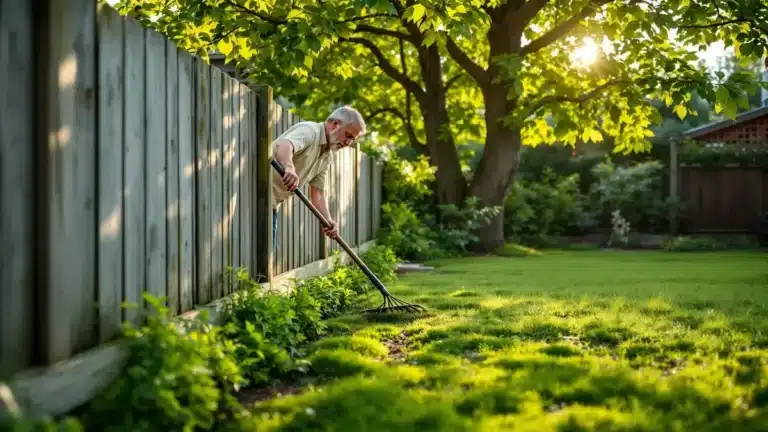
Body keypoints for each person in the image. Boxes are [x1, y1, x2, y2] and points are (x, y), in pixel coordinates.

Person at [270, 105, 366, 261]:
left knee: (265, 260)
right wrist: (289, 167)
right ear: (335, 124)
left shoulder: (327, 157)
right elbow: (284, 145)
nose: (348, 143)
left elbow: (318, 193)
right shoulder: (310, 131)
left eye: (352, 139)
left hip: (272, 206)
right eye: (348, 135)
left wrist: (327, 220)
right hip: (254, 197)